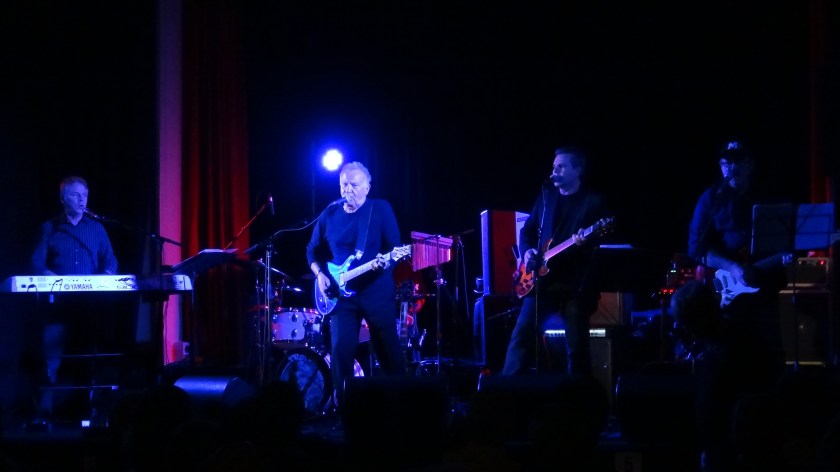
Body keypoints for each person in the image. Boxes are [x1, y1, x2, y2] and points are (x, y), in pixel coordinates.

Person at [686, 140, 788, 470]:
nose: (730, 168)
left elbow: (787, 242)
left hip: (765, 289)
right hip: (727, 295)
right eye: (725, 162)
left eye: (737, 161)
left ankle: (772, 427)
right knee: (725, 358)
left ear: (751, 164)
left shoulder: (768, 195)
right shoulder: (711, 198)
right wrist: (731, 267)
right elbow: (695, 248)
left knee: (771, 353)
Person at [501, 146, 611, 378]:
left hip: (575, 284)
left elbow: (601, 246)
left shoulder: (593, 202)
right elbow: (528, 231)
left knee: (577, 347)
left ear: (577, 170)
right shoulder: (547, 197)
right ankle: (504, 390)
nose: (554, 171)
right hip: (541, 282)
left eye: (561, 167)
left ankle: (579, 394)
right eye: (554, 167)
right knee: (521, 337)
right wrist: (527, 252)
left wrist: (584, 242)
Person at [306, 161, 407, 410]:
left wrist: (384, 264)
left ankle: (401, 407)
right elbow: (312, 250)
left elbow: (395, 249)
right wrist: (319, 275)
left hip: (376, 290)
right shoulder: (329, 214)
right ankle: (346, 412)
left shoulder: (379, 209)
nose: (347, 189)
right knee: (340, 352)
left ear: (367, 187)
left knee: (388, 352)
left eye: (353, 184)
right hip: (341, 296)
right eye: (344, 184)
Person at [28, 175, 120, 422]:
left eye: (85, 195)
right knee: (52, 357)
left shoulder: (96, 228)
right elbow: (36, 263)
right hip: (58, 304)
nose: (82, 200)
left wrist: (104, 280)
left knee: (90, 355)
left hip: (91, 305)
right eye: (76, 195)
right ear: (62, 198)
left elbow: (111, 261)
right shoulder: (50, 228)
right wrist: (50, 277)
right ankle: (45, 412)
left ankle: (90, 409)